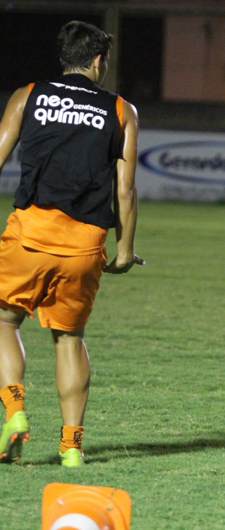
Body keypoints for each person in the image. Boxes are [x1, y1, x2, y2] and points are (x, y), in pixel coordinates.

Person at [0, 20, 144, 466]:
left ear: (65, 58)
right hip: (84, 245)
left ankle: (16, 410)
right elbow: (125, 189)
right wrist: (122, 252)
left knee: (4, 322)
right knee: (70, 339)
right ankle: (71, 448)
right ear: (99, 61)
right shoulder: (122, 110)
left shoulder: (29, 95)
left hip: (29, 234)